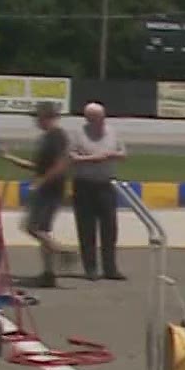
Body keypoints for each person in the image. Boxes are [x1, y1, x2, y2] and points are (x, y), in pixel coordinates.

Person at [1, 101, 76, 286]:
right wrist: (12, 159)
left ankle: (61, 252)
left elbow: (62, 163)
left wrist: (41, 182)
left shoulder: (56, 136)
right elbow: (38, 166)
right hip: (46, 187)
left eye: (38, 117)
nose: (36, 121)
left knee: (33, 227)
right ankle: (48, 273)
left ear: (46, 117)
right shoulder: (46, 137)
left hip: (50, 189)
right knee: (42, 229)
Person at [67, 101, 127, 281]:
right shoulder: (78, 134)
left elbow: (123, 153)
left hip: (106, 184)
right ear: (88, 119)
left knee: (109, 228)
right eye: (95, 119)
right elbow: (72, 157)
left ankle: (110, 267)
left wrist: (111, 156)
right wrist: (93, 159)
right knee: (86, 228)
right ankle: (90, 268)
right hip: (84, 184)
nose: (100, 122)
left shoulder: (112, 132)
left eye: (102, 118)